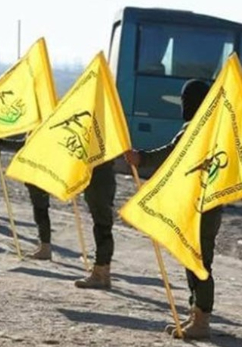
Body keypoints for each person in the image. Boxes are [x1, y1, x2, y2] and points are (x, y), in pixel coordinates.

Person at [124, 79, 220, 339]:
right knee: (193, 258)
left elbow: (171, 154)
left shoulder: (197, 129)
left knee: (199, 262)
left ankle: (202, 320)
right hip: (204, 205)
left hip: (201, 208)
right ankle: (196, 313)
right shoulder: (213, 127)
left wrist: (142, 158)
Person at [74, 160, 117, 289]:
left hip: (98, 179)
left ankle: (100, 272)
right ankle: (103, 271)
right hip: (100, 177)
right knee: (102, 226)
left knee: (102, 227)